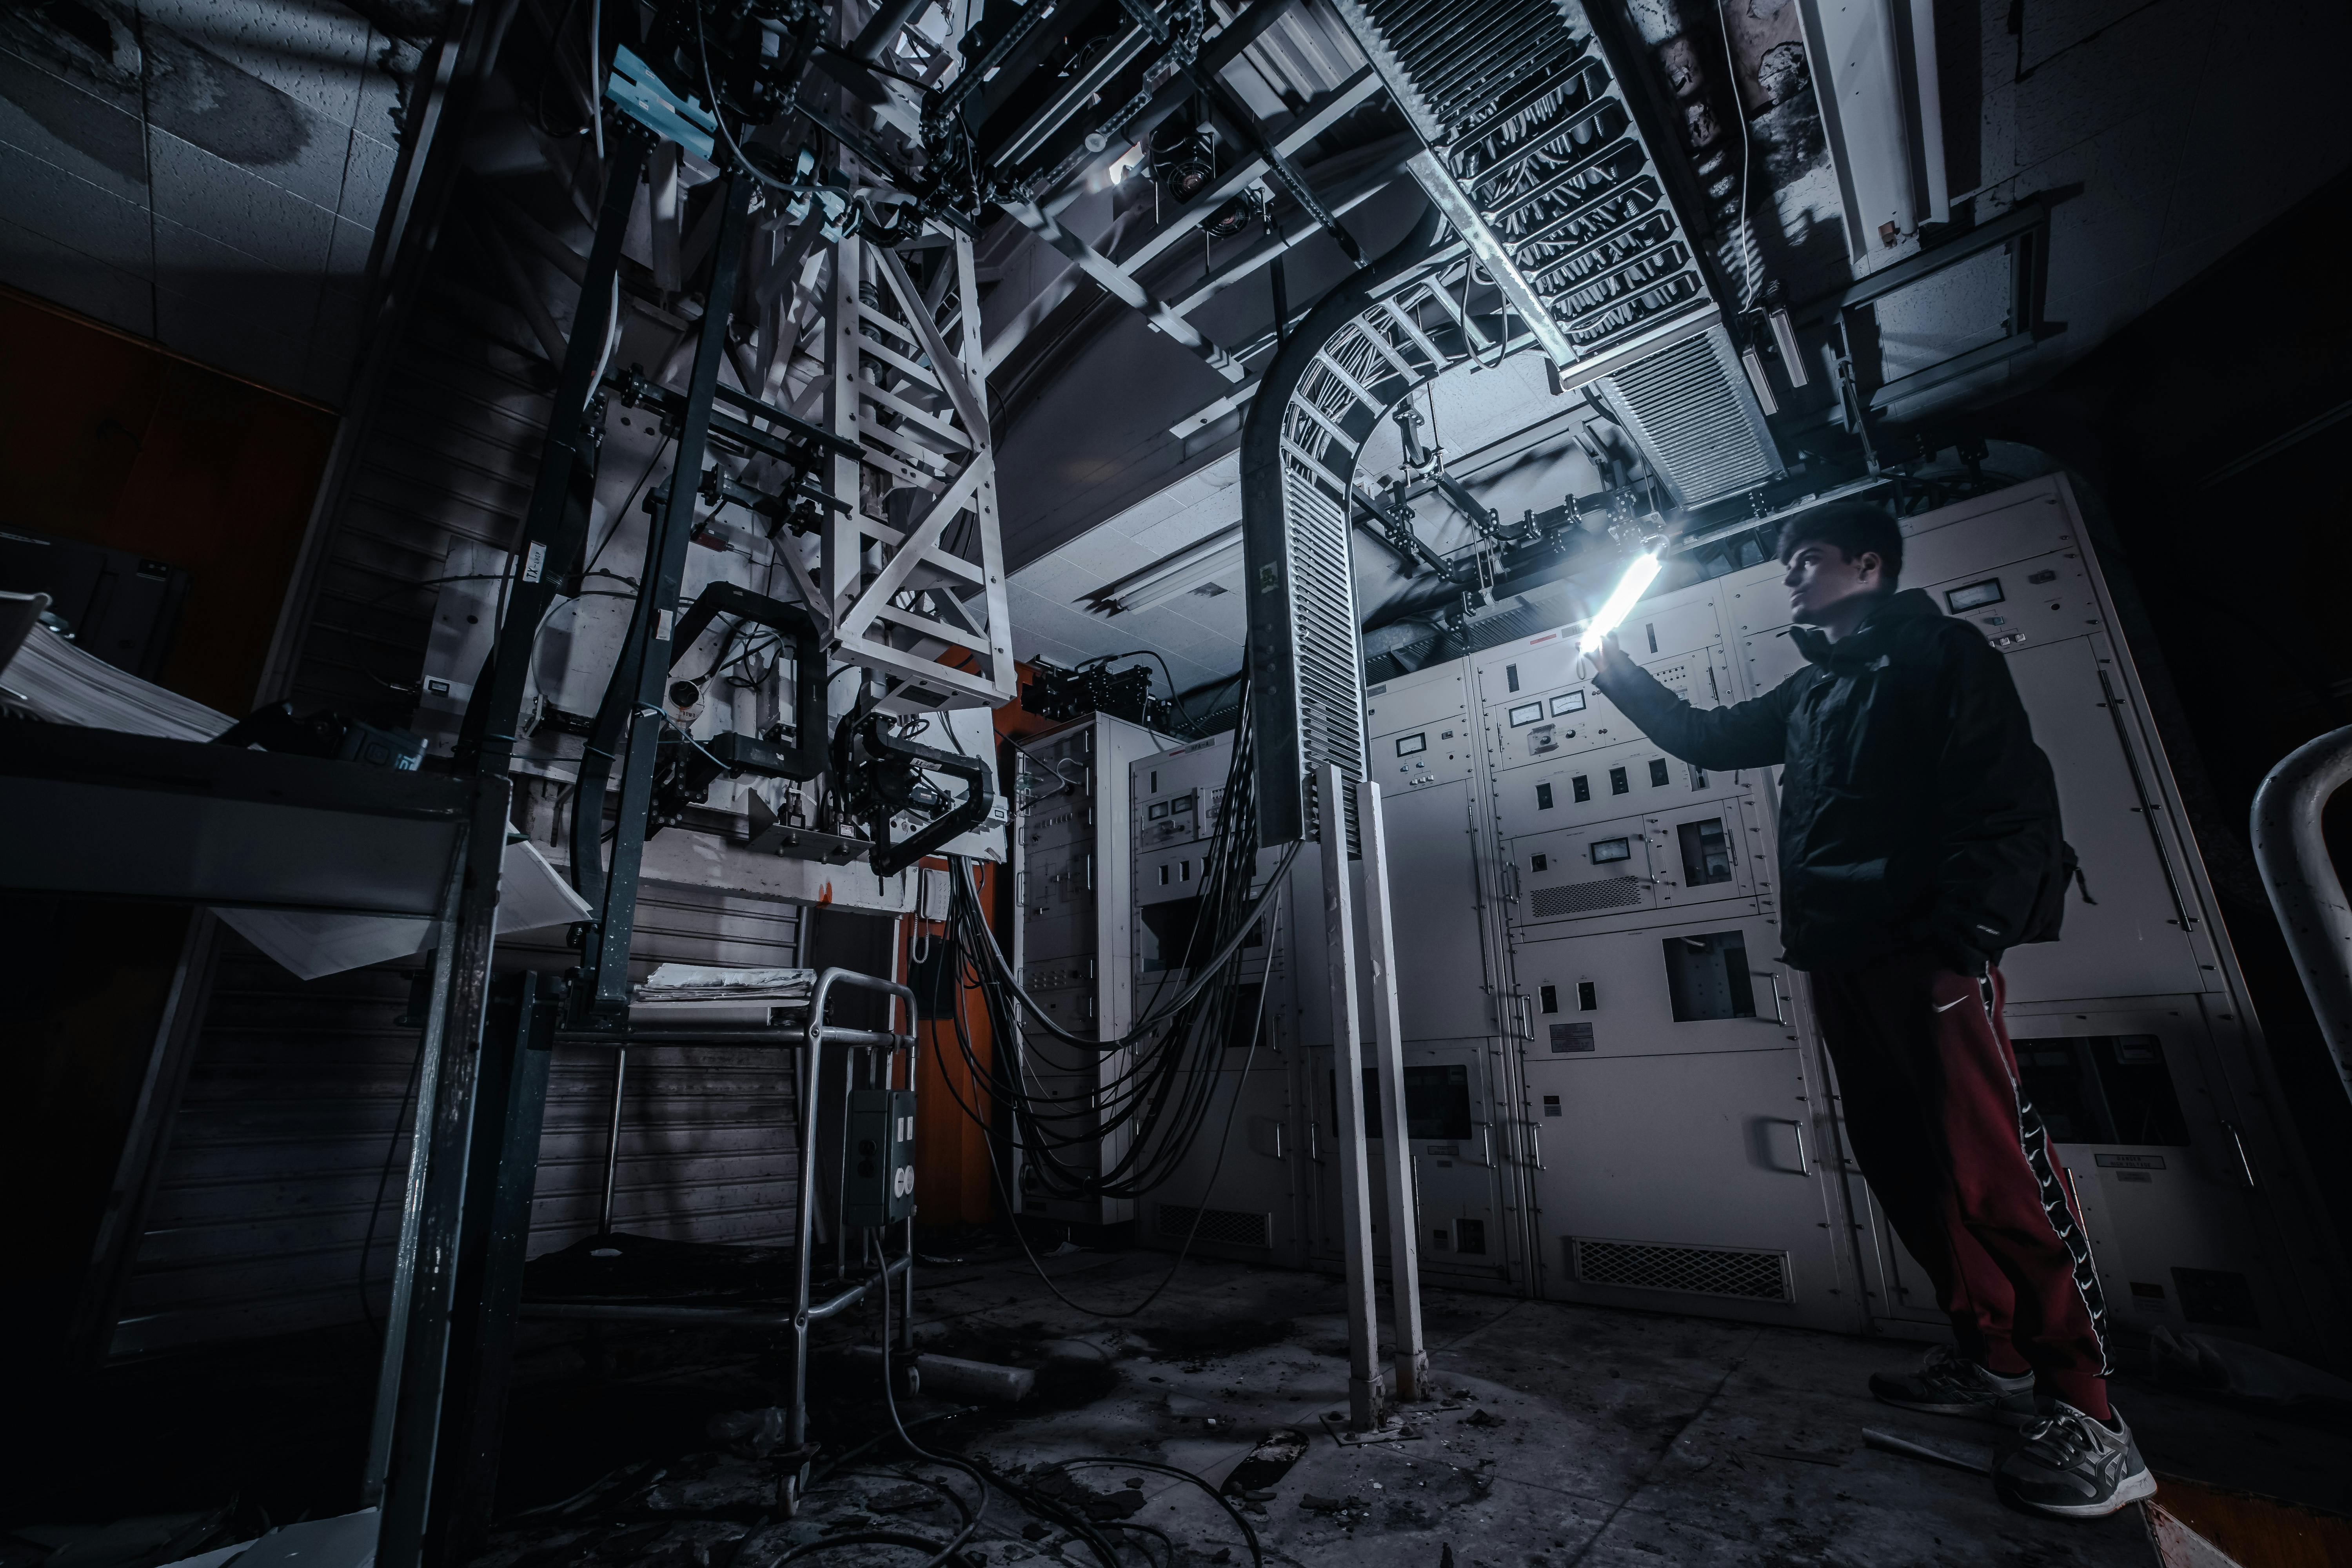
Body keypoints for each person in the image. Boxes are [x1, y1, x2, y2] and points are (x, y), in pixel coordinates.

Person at [1582, 502, 2153, 1519]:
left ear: (1869, 565)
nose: (1790, 577)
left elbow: (2010, 792)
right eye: (1787, 564)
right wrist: (1617, 670)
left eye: (1807, 560)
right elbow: (1710, 740)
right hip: (1842, 953)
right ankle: (1994, 1358)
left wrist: (1965, 940)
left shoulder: (1940, 652)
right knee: (1903, 1167)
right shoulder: (1816, 688)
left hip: (1926, 955)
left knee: (1996, 1173)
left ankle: (2093, 1413)